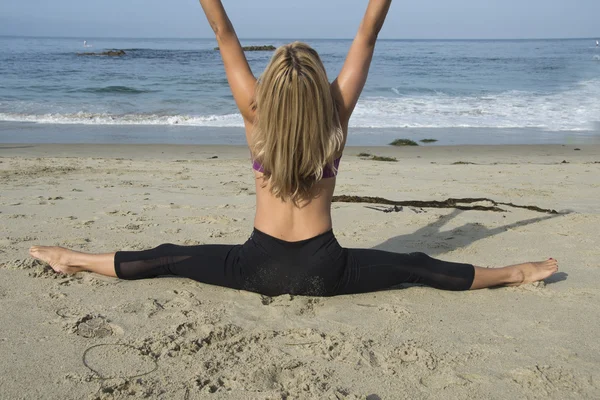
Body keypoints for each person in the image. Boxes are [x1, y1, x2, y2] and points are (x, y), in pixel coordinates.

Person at [30, 0, 558, 296]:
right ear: (320, 89)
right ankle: (516, 272)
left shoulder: (255, 118)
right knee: (415, 264)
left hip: (254, 266)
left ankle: (71, 259)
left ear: (270, 90)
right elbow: (367, 34)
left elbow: (223, 32)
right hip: (325, 271)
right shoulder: (335, 119)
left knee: (170, 258)